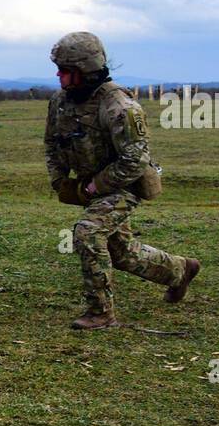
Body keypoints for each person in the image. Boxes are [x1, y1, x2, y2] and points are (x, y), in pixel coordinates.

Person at [44, 31, 201, 330]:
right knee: (121, 253)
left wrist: (94, 187)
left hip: (125, 185)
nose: (58, 76)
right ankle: (180, 270)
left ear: (85, 70)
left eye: (65, 71)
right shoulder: (60, 102)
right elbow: (52, 144)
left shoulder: (120, 106)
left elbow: (135, 160)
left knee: (88, 233)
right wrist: (60, 181)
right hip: (90, 186)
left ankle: (101, 313)